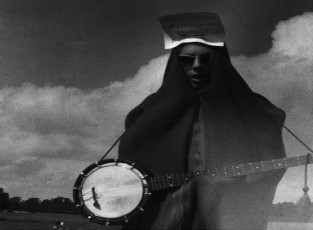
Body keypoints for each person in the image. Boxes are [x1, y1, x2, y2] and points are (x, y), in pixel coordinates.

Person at [118, 13, 286, 230]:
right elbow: (129, 170)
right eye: (187, 60)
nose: (196, 66)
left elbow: (270, 163)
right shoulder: (147, 113)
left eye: (205, 59)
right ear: (176, 64)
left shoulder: (255, 110)